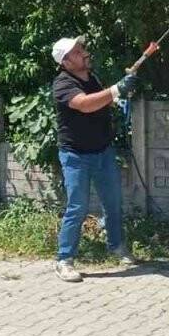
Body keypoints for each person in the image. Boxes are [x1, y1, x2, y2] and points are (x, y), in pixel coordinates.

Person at [50, 35, 138, 282]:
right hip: (75, 156)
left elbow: (101, 102)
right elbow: (85, 104)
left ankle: (117, 246)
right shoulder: (63, 84)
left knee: (113, 202)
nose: (85, 53)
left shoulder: (92, 78)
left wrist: (119, 97)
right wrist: (116, 89)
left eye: (82, 49)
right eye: (78, 52)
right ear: (66, 62)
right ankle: (64, 260)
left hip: (103, 151)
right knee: (77, 207)